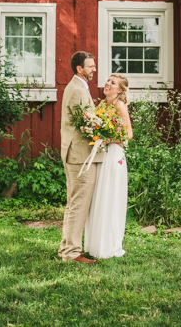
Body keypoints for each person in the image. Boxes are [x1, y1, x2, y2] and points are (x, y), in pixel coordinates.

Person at [58, 51, 101, 264]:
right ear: (79, 69)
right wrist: (108, 135)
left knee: (74, 201)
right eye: (91, 66)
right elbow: (87, 125)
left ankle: (67, 249)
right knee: (78, 202)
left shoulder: (79, 87)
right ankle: (72, 253)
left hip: (78, 154)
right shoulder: (76, 90)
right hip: (79, 155)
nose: (94, 69)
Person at [84, 74, 133, 259]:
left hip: (113, 155)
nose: (108, 84)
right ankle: (95, 244)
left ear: (120, 90)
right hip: (102, 153)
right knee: (99, 197)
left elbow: (128, 134)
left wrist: (107, 139)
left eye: (112, 83)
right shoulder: (102, 105)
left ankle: (108, 245)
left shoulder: (119, 105)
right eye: (108, 81)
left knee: (109, 196)